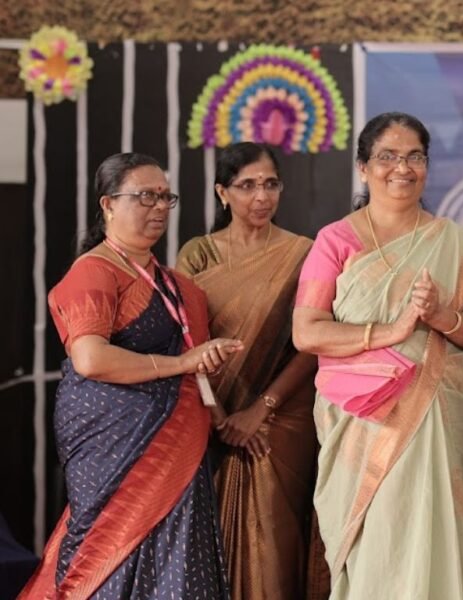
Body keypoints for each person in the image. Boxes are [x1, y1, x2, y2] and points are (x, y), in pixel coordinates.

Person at [292, 112, 463, 599]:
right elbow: (306, 330)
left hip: (437, 416)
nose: (401, 168)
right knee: (376, 544)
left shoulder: (455, 243)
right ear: (363, 168)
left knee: (435, 536)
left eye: (414, 157)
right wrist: (392, 331)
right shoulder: (336, 240)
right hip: (361, 423)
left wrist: (440, 315)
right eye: (387, 156)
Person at [21, 153, 241, 599]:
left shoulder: (180, 287)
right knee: (106, 552)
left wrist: (218, 410)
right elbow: (90, 359)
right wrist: (183, 363)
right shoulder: (94, 272)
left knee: (178, 558)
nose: (158, 207)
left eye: (165, 197)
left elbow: (193, 364)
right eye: (145, 196)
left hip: (179, 442)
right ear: (108, 204)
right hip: (114, 442)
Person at [177, 142, 323, 600]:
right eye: (247, 186)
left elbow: (313, 344)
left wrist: (260, 410)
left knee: (274, 543)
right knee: (209, 541)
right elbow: (186, 343)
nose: (262, 197)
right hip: (210, 418)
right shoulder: (199, 255)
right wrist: (221, 418)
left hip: (283, 417)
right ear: (222, 193)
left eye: (270, 184)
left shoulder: (304, 254)